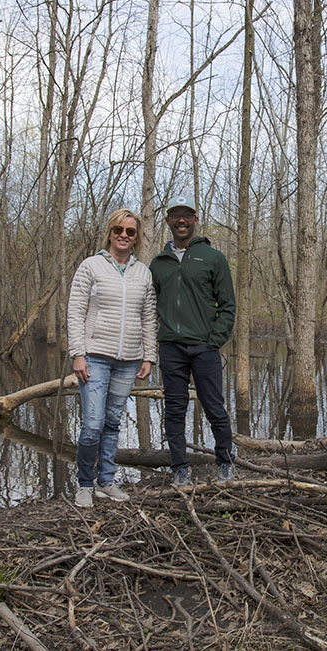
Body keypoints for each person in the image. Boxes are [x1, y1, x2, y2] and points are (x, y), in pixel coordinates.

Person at [67, 209, 157, 508]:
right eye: (118, 229)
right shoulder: (91, 266)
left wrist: (149, 356)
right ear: (110, 232)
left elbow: (148, 317)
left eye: (130, 231)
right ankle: (84, 483)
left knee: (113, 422)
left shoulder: (142, 272)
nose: (123, 235)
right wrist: (78, 354)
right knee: (92, 423)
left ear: (136, 238)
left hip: (129, 359)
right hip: (95, 356)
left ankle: (106, 481)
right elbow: (76, 311)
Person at [150, 194, 237, 484]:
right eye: (176, 215)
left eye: (187, 215)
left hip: (204, 348)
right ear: (168, 221)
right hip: (170, 347)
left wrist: (214, 340)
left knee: (214, 407)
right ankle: (180, 468)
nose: (181, 220)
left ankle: (225, 461)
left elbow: (227, 305)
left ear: (195, 220)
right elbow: (151, 307)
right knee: (174, 410)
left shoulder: (213, 258)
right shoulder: (158, 264)